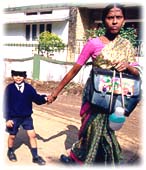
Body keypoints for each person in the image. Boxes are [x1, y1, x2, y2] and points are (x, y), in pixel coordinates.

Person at [47, 3, 142, 165]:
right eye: (110, 17)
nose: (114, 21)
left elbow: (136, 72)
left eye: (118, 18)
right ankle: (79, 160)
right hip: (95, 96)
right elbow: (75, 70)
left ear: (124, 20)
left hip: (116, 98)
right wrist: (56, 92)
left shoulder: (126, 45)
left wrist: (127, 66)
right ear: (104, 21)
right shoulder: (93, 44)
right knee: (89, 130)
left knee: (106, 132)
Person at [3, 70, 48, 165]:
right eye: (15, 75)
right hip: (14, 117)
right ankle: (10, 151)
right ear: (12, 76)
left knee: (32, 135)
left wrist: (45, 98)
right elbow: (5, 104)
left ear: (25, 76)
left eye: (20, 75)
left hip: (27, 117)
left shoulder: (29, 88)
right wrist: (8, 119)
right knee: (12, 136)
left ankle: (35, 156)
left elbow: (37, 98)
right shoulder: (9, 88)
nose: (18, 77)